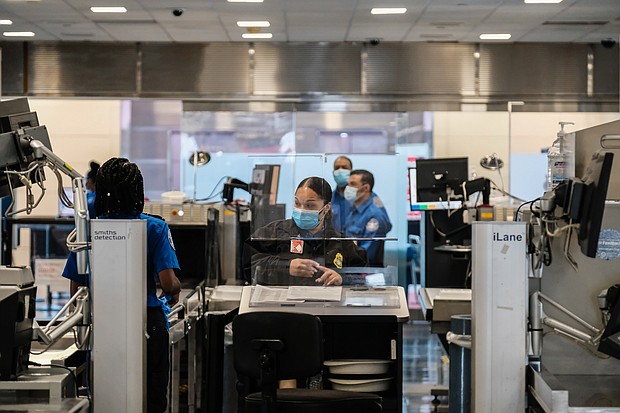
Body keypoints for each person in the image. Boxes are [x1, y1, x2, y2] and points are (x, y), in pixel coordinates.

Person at [62, 157, 181, 413]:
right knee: (152, 398)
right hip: (148, 323)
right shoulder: (154, 226)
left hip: (104, 326)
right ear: (138, 190)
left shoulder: (87, 232)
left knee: (107, 397)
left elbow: (75, 292)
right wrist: (175, 292)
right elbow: (168, 282)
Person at [246, 176, 367, 286]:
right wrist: (286, 266)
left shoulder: (339, 242)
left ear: (326, 208)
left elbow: (364, 275)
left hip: (325, 307)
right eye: (297, 203)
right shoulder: (275, 232)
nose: (301, 210)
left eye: (310, 205)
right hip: (283, 306)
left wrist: (343, 278)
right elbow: (249, 263)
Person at [343, 169, 392, 267]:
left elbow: (366, 255)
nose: (348, 188)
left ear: (366, 188)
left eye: (352, 184)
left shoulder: (374, 215)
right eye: (347, 184)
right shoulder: (355, 207)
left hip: (364, 272)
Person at [331, 156, 353, 232]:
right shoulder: (329, 199)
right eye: (337, 168)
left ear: (351, 172)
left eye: (344, 167)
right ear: (333, 173)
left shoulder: (360, 197)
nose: (340, 170)